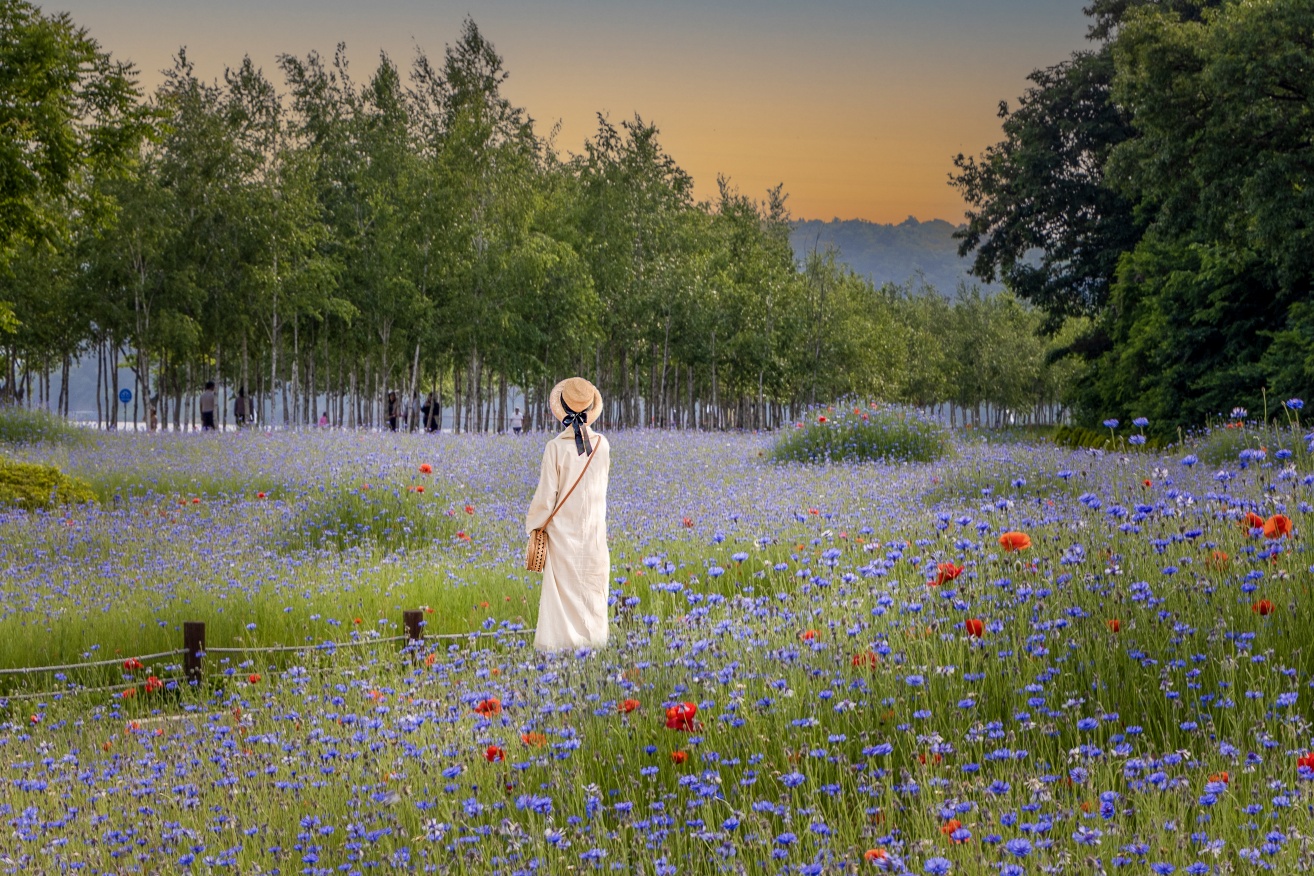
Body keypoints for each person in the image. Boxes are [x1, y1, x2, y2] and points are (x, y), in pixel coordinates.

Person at [524, 377, 611, 652]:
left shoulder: (555, 448)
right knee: (593, 595)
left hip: (562, 540)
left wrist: (534, 527)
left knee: (560, 602)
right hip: (594, 536)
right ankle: (594, 652)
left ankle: (560, 657)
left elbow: (546, 497)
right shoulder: (603, 446)